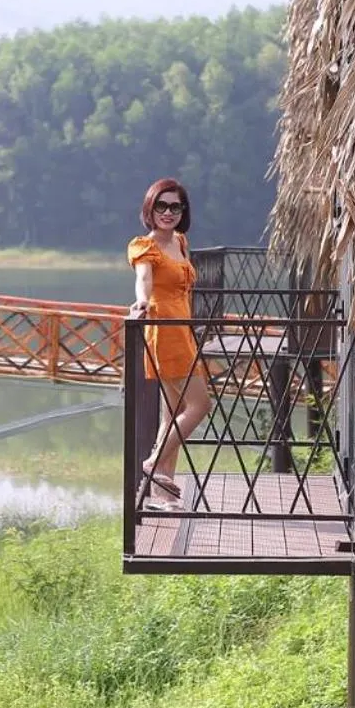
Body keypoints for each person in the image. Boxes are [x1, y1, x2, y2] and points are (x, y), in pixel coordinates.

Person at [127, 177, 210, 508]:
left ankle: (162, 494)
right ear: (150, 207)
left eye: (175, 206)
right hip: (165, 331)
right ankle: (153, 464)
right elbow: (144, 279)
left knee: (172, 413)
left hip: (183, 329)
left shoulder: (181, 242)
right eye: (161, 205)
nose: (168, 212)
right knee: (201, 405)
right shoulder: (144, 246)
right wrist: (141, 303)